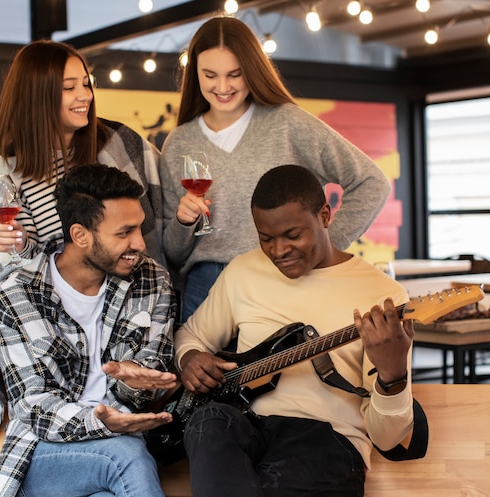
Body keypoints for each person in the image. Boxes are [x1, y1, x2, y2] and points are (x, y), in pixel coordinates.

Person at [174, 164, 414, 497]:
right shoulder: (243, 271)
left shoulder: (383, 298)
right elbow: (190, 337)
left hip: (328, 441)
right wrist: (190, 357)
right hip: (249, 426)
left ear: (325, 216)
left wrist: (392, 374)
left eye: (292, 235)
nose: (278, 251)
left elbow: (388, 439)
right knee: (208, 420)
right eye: (266, 238)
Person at [160, 16, 392, 322]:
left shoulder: (287, 123)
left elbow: (372, 182)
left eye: (235, 74)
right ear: (195, 75)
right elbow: (173, 253)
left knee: (282, 371)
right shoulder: (179, 143)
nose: (223, 86)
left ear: (252, 71)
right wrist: (183, 221)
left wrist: (321, 247)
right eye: (210, 75)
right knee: (197, 368)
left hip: (276, 278)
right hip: (205, 287)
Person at [0, 164, 177, 497]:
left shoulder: (152, 281)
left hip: (124, 448)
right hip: (44, 455)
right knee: (123, 454)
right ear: (80, 235)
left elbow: (149, 380)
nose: (140, 244)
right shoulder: (17, 293)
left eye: (140, 229)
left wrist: (135, 384)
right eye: (124, 232)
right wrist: (102, 423)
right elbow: (35, 406)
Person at [0, 39, 164, 268]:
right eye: (69, 87)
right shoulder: (8, 172)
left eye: (86, 84)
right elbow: (17, 272)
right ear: (37, 96)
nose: (86, 96)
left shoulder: (120, 141)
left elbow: (165, 219)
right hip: (59, 302)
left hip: (140, 295)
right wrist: (18, 246)